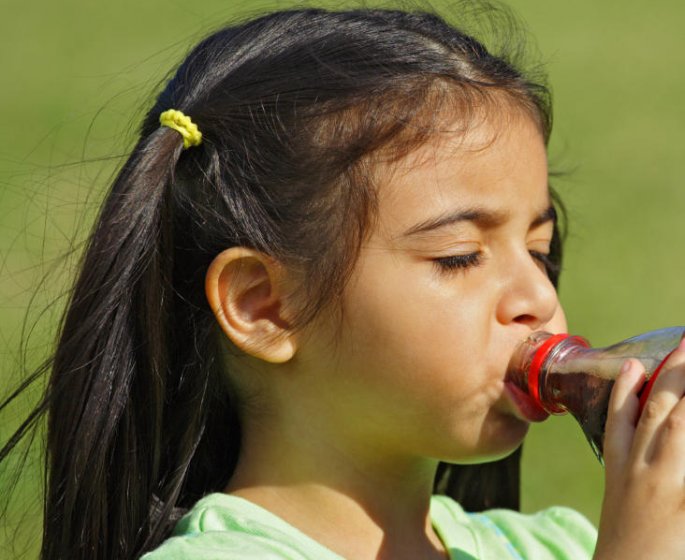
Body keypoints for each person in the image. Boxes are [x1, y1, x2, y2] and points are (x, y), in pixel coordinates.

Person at [4, 4, 685, 560]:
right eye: (457, 256)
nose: (538, 299)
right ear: (265, 305)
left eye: (537, 249)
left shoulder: (556, 546)